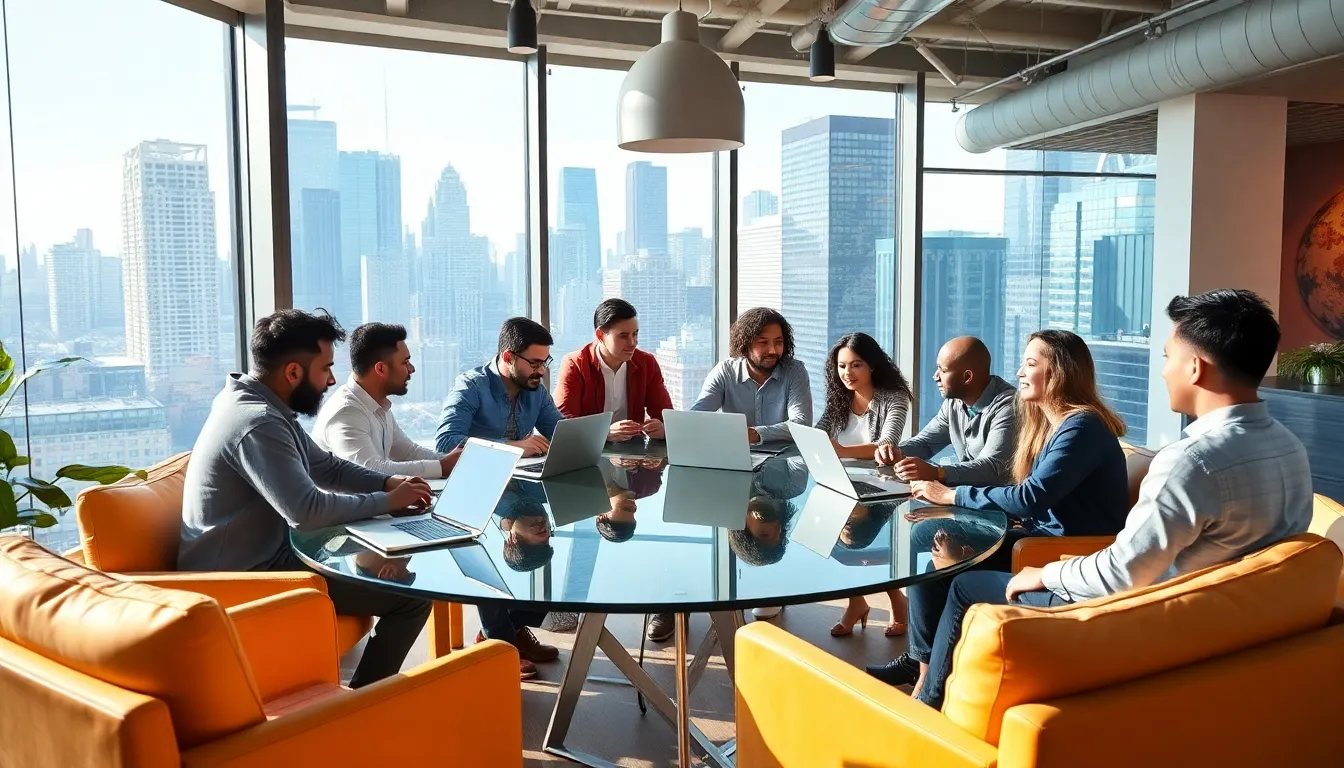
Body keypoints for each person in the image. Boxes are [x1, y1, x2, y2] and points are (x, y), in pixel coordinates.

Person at [901, 289, 1313, 710]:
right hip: (1226, 636)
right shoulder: (1290, 448)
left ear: (1194, 367)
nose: (1163, 371)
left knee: (965, 584)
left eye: (1167, 357)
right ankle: (924, 667)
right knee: (945, 552)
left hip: (1146, 622)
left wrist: (1044, 575)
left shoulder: (1191, 462)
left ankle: (929, 711)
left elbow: (1122, 574)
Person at [179, 309, 434, 688]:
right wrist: (388, 501)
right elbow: (307, 511)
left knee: (389, 550)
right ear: (293, 373)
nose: (333, 379)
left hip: (269, 553)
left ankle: (365, 699)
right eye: (326, 368)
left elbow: (327, 467)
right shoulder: (258, 423)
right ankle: (366, 704)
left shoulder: (262, 406)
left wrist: (387, 484)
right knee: (410, 596)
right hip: (239, 577)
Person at [866, 329, 1129, 690]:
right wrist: (896, 454)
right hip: (1036, 535)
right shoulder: (1053, 426)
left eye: (1030, 364)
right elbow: (1031, 500)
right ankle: (923, 667)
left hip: (1058, 552)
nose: (1020, 372)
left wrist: (950, 496)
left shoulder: (1081, 427)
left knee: (958, 578)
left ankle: (930, 695)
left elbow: (1029, 496)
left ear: (1058, 374)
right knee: (933, 568)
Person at [815, 332, 914, 637]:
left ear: (871, 365)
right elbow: (819, 435)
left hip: (880, 486)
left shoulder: (893, 397)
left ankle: (899, 603)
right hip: (839, 482)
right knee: (822, 537)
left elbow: (887, 442)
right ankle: (856, 602)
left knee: (873, 542)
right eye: (842, 366)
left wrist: (842, 451)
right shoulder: (838, 399)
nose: (847, 373)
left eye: (855, 365)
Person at [313, 322, 461, 478]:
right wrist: (442, 467)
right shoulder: (346, 412)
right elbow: (370, 470)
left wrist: (453, 461)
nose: (412, 369)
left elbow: (409, 452)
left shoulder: (377, 404)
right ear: (381, 369)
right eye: (405, 362)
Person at [876, 336, 1017, 488]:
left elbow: (992, 468)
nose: (935, 376)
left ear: (967, 377)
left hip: (1000, 506)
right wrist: (896, 453)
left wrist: (938, 473)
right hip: (965, 497)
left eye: (943, 370)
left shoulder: (1009, 406)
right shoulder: (954, 402)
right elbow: (926, 444)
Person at [436, 317, 564, 455]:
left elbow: (562, 435)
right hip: (479, 473)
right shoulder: (470, 387)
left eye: (545, 362)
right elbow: (445, 443)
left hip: (519, 472)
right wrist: (513, 448)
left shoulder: (535, 389)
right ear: (508, 357)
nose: (542, 371)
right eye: (535, 363)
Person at [555, 298, 674, 442]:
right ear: (600, 336)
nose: (633, 343)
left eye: (635, 334)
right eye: (623, 336)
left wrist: (663, 429)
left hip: (633, 452)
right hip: (587, 451)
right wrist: (604, 433)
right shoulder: (575, 365)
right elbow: (564, 426)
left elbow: (667, 417)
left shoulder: (646, 363)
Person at [690, 307, 812, 445]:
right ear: (745, 344)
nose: (772, 350)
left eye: (778, 342)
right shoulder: (725, 372)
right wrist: (667, 430)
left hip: (784, 459)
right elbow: (697, 416)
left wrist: (756, 434)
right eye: (763, 342)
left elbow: (801, 424)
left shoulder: (795, 371)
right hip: (736, 457)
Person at [476, 481, 560, 679]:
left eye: (540, 532)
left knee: (536, 583)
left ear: (512, 537)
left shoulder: (507, 507)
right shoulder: (519, 508)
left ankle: (504, 635)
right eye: (546, 533)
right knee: (487, 578)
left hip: (490, 479)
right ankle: (502, 643)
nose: (545, 528)